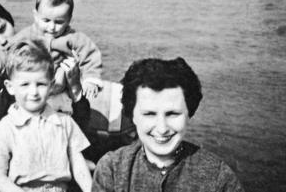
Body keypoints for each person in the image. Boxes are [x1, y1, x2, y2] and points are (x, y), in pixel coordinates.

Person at [0, 0, 91, 192]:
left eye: (3, 29)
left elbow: (76, 126)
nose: (3, 41)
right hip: (9, 162)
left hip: (53, 158)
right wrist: (12, 88)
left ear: (10, 21)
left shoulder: (41, 56)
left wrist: (74, 88)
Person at [92, 57, 245, 192]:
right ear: (133, 116)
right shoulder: (112, 169)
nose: (162, 128)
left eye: (172, 114)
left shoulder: (218, 177)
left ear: (189, 113)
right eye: (149, 114)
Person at [0, 41, 92, 192]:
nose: (34, 92)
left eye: (41, 84)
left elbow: (78, 164)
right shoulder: (5, 128)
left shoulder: (64, 122)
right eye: (25, 85)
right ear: (10, 87)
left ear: (51, 86)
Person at [13, 0, 103, 99]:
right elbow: (10, 48)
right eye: (46, 20)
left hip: (61, 90)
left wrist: (90, 80)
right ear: (36, 16)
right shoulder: (28, 34)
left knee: (65, 69)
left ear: (69, 19)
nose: (51, 27)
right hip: (35, 83)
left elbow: (91, 56)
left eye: (59, 22)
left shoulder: (73, 37)